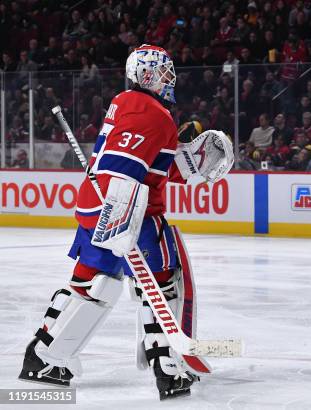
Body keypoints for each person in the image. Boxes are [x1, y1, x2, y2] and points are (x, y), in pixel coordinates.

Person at [18, 45, 234, 400]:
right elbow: (123, 165)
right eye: (163, 72)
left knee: (90, 283)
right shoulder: (150, 110)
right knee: (166, 282)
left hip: (96, 205)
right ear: (146, 74)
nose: (170, 78)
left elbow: (147, 163)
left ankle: (43, 355)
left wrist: (189, 163)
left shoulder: (129, 103)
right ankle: (167, 367)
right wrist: (121, 218)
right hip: (129, 211)